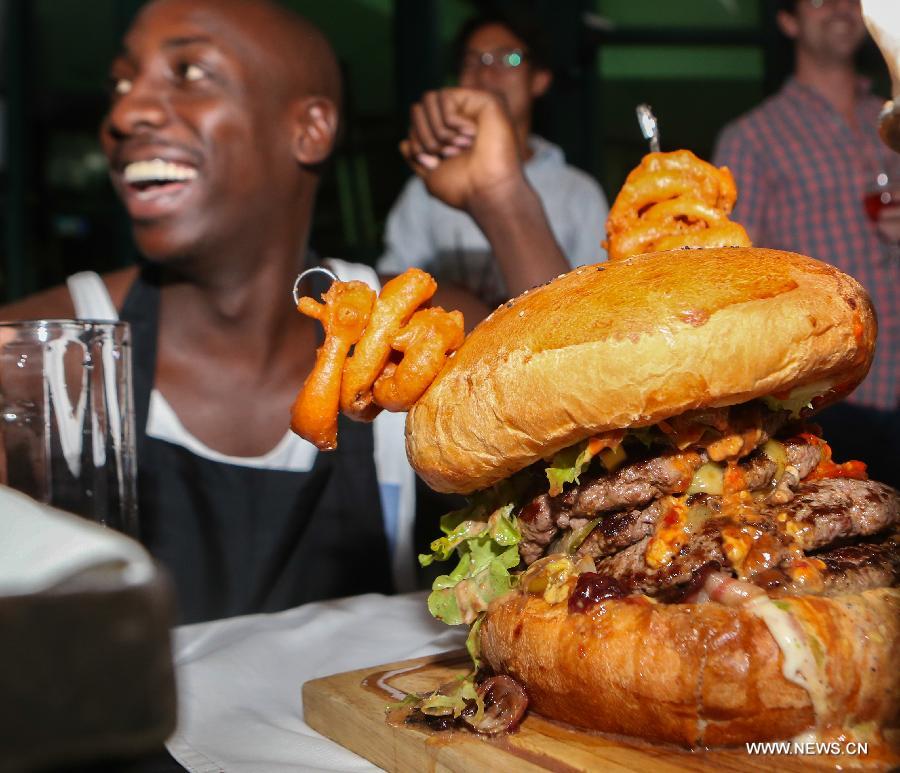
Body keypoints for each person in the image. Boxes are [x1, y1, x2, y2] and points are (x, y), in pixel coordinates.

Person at [0, 0, 568, 624]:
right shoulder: (40, 353)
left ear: (310, 129)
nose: (125, 112)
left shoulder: (402, 335)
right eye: (121, 83)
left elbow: (582, 415)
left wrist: (503, 200)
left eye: (189, 72)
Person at [713, 0, 900, 486]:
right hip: (829, 399)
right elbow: (733, 278)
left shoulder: (892, 119)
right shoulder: (752, 137)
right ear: (788, 20)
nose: (840, 7)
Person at [377, 9, 609, 309]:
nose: (485, 74)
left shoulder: (579, 192)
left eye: (508, 58)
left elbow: (595, 310)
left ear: (539, 79)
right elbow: (394, 293)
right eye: (473, 61)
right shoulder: (427, 187)